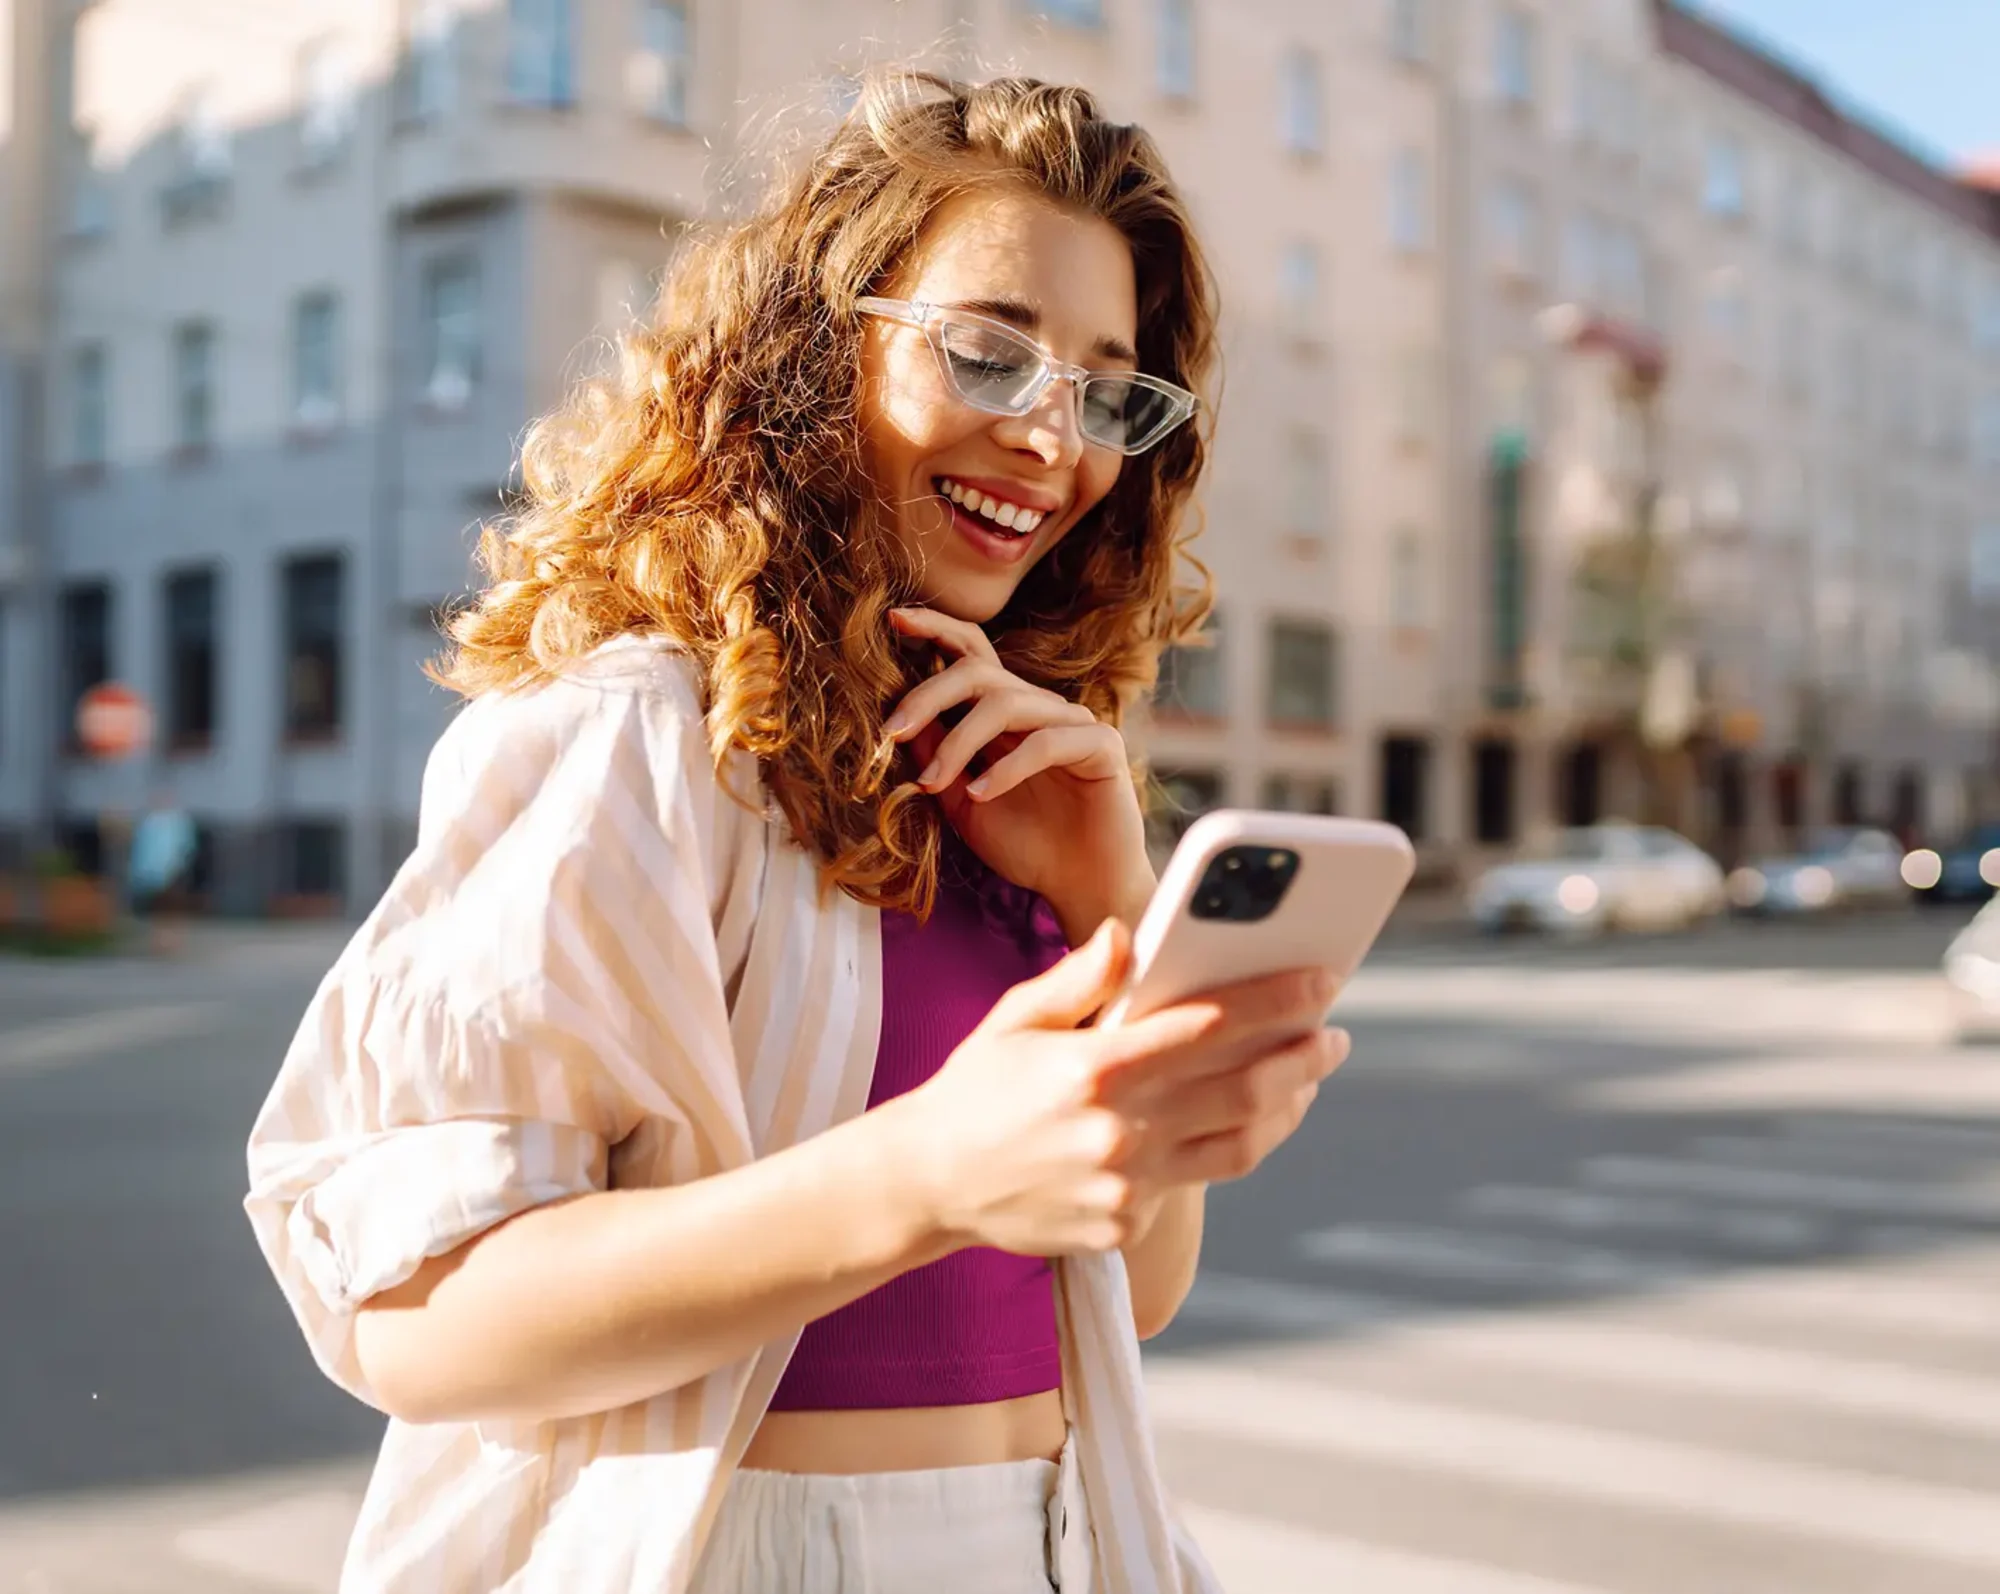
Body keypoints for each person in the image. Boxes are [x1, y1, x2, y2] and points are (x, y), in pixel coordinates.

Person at [245, 70, 1350, 1594]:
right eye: (990, 349)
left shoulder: (1017, 769)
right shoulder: (644, 731)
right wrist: (921, 1176)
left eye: (1107, 389)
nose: (1054, 439)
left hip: (1059, 1544)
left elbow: (1135, 1288)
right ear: (815, 349)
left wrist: (1114, 902)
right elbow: (414, 1313)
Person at [126, 786, 196, 955]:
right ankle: (160, 939)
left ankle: (173, 938)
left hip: (173, 869)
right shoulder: (148, 822)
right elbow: (140, 848)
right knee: (157, 906)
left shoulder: (178, 821)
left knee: (172, 905)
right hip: (152, 871)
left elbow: (186, 846)